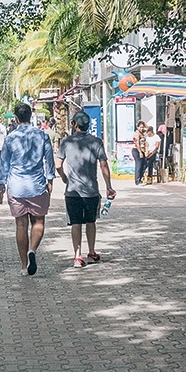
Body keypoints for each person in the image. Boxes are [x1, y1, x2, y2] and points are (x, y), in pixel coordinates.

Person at [0, 102, 55, 276]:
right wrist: (50, 178)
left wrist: (1, 185)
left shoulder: (10, 138)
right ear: (31, 116)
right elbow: (49, 159)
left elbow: (4, 163)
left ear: (15, 118)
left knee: (20, 225)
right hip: (37, 185)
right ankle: (33, 250)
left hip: (16, 187)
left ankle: (24, 265)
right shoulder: (42, 135)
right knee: (38, 222)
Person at [56, 110, 114, 268]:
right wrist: (109, 186)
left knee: (76, 223)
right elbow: (104, 165)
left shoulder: (66, 142)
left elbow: (58, 165)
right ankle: (92, 251)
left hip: (72, 190)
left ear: (75, 124)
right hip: (91, 190)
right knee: (91, 221)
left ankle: (77, 256)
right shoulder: (96, 142)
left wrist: (64, 178)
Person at [132, 122, 148, 186]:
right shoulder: (136, 134)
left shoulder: (142, 133)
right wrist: (140, 152)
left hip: (142, 151)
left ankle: (140, 179)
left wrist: (143, 123)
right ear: (137, 127)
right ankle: (137, 181)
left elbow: (148, 128)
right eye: (140, 127)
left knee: (144, 165)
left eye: (142, 127)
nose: (142, 128)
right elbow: (137, 144)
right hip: (137, 150)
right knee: (139, 165)